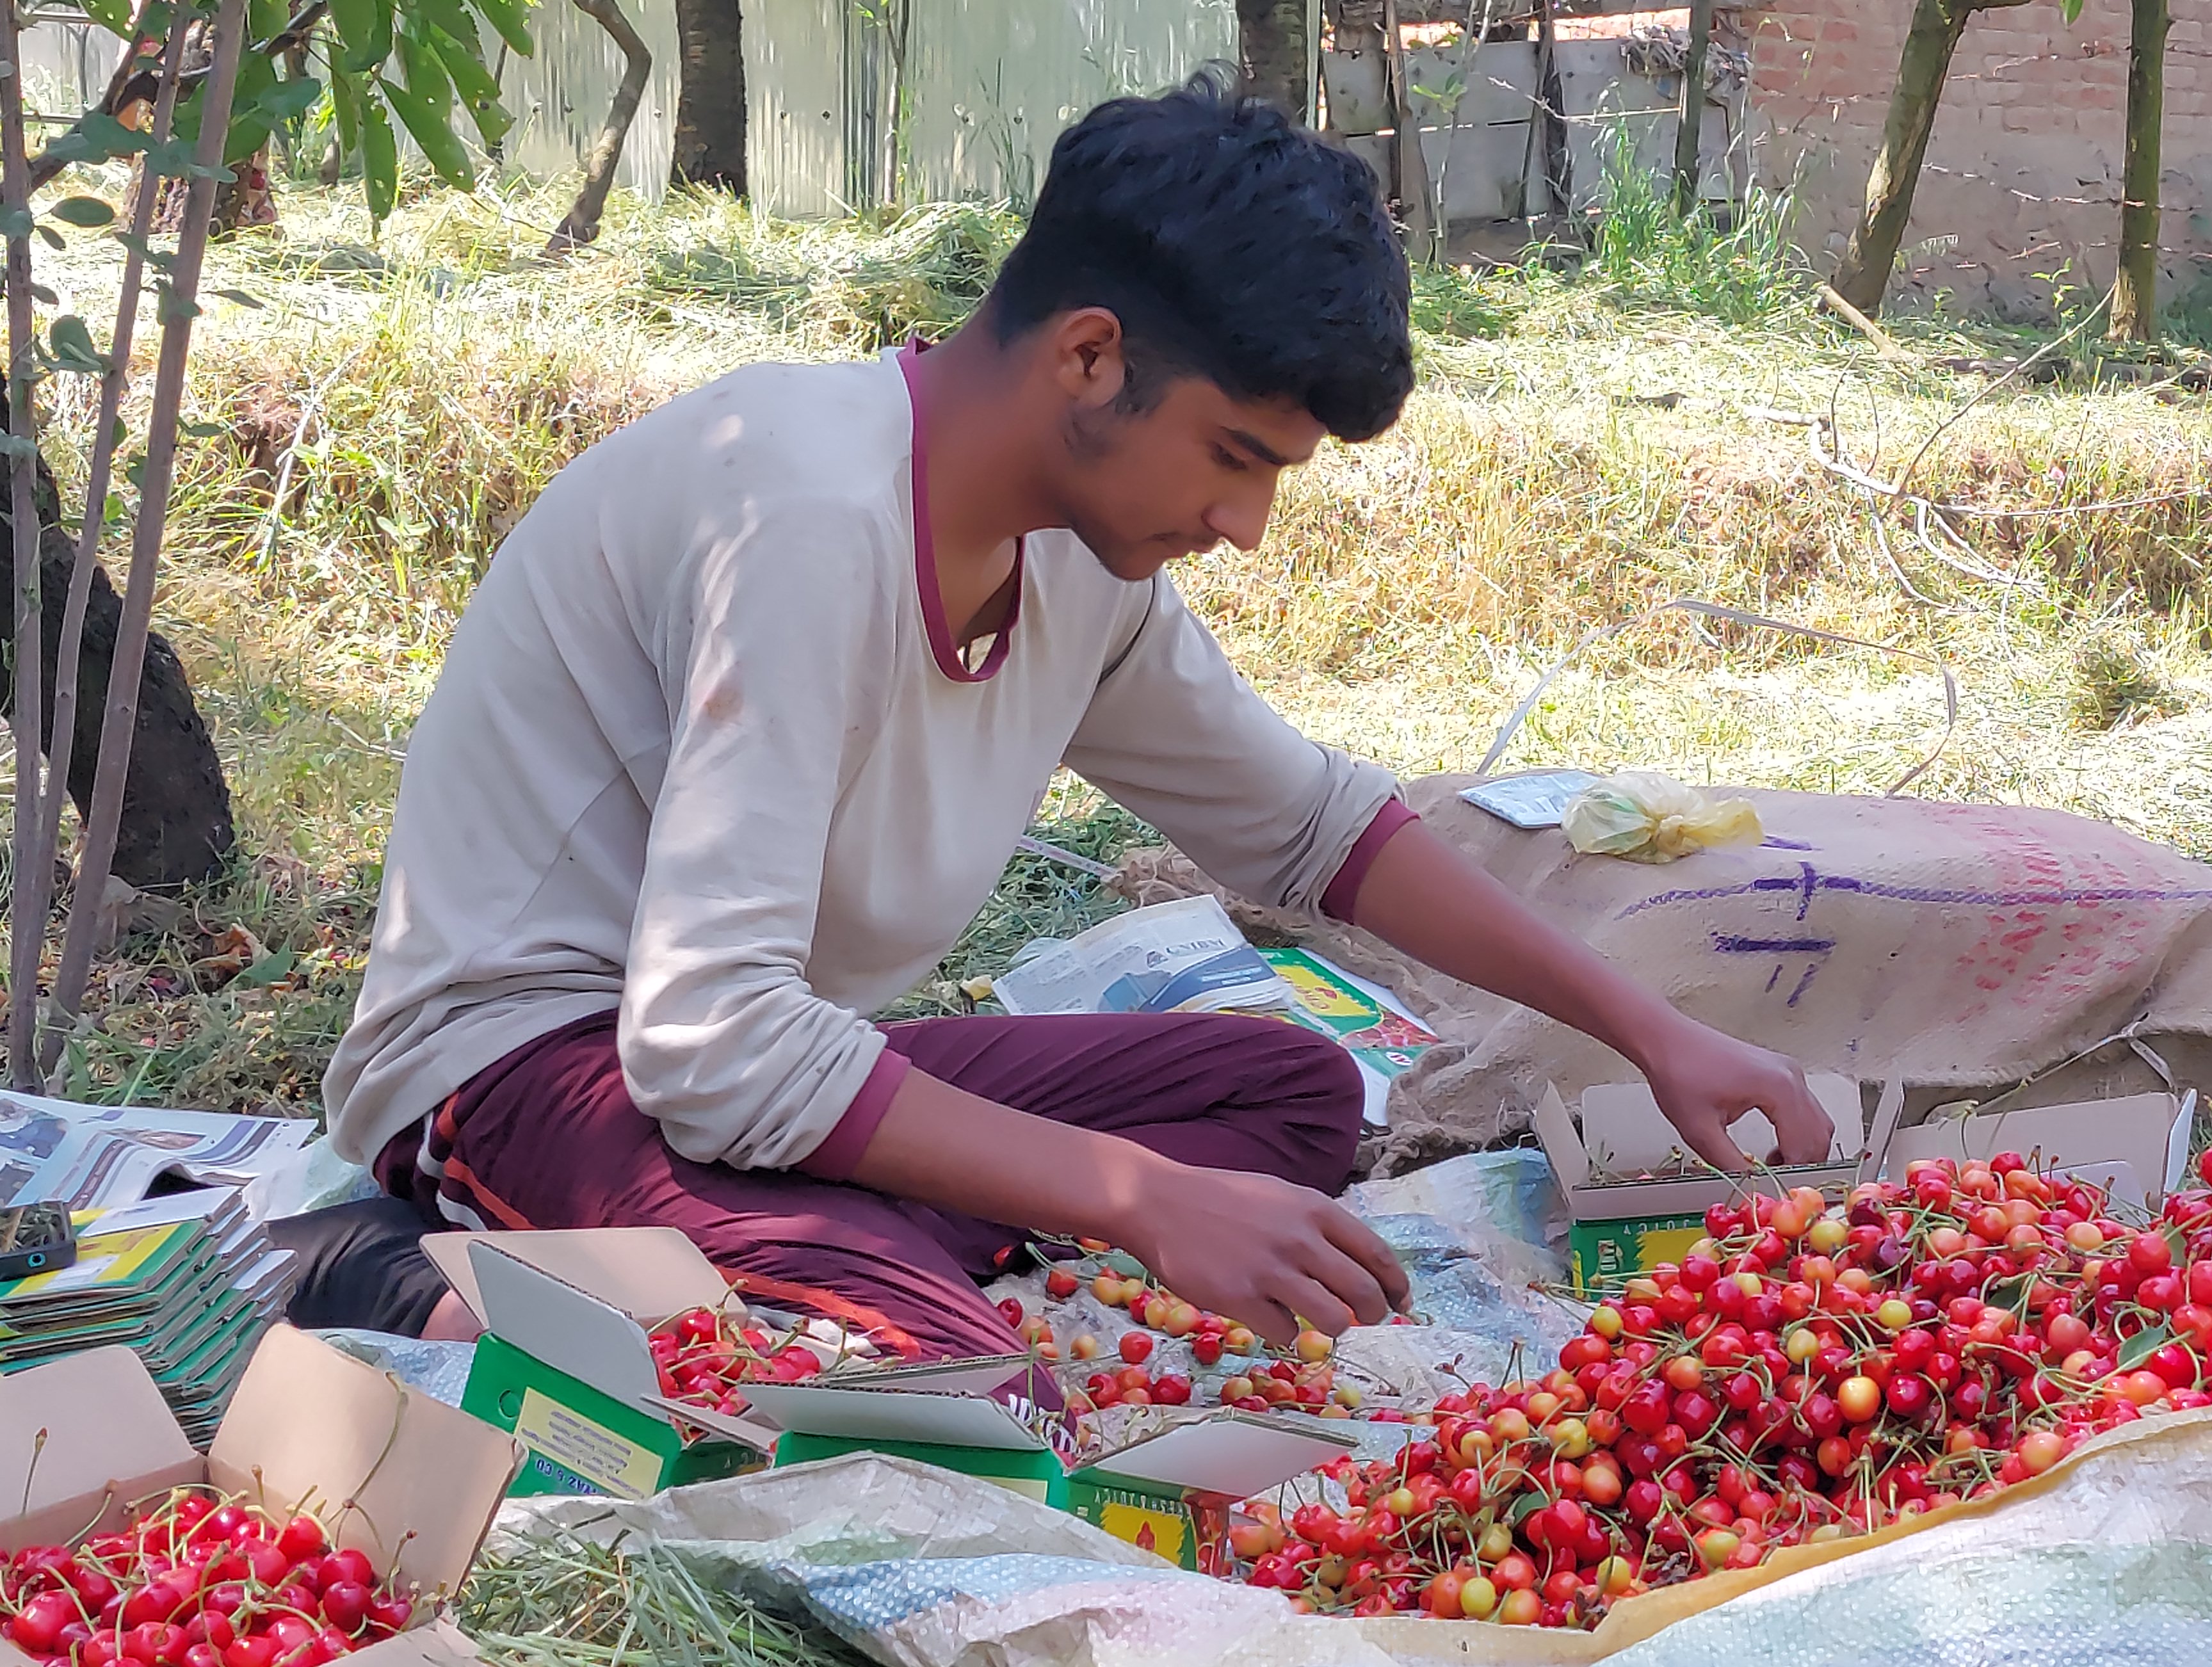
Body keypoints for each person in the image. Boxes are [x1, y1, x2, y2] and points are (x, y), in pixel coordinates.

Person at [316, 77, 1829, 1361]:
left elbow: (1311, 830)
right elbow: (708, 1044)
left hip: (747, 1071)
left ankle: (789, 1245)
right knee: (937, 1375)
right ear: (1090, 356)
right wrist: (1133, 1199)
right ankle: (401, 1279)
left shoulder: (1074, 557)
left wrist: (1647, 1031)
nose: (1241, 524)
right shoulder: (801, 515)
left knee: (1285, 1095)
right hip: (526, 1065)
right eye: (1232, 457)